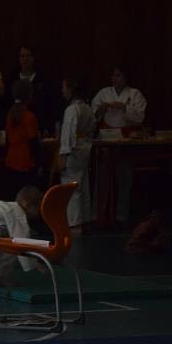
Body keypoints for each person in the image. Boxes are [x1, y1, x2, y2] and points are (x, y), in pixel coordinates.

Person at [92, 65, 148, 228]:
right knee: (102, 180)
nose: (115, 78)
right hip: (106, 139)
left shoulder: (134, 94)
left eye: (119, 75)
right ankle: (98, 213)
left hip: (125, 139)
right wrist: (101, 109)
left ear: (126, 77)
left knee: (124, 179)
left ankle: (121, 215)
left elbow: (140, 118)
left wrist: (124, 107)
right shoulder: (104, 93)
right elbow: (93, 116)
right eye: (113, 75)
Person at [59, 78, 96, 234]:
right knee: (83, 185)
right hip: (85, 148)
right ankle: (86, 219)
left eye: (64, 87)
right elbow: (92, 127)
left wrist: (63, 155)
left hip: (73, 151)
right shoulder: (87, 108)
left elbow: (68, 132)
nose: (62, 91)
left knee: (71, 186)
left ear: (71, 90)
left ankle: (74, 223)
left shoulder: (72, 110)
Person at [3, 79, 43, 197]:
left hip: (11, 160)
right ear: (30, 96)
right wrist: (40, 163)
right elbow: (33, 143)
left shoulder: (10, 114)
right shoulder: (29, 116)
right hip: (26, 162)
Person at [3, 46, 56, 135]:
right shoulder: (11, 78)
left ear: (34, 58)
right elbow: (6, 102)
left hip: (38, 125)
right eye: (22, 56)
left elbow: (49, 104)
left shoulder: (44, 78)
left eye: (29, 56)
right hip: (16, 124)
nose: (25, 59)